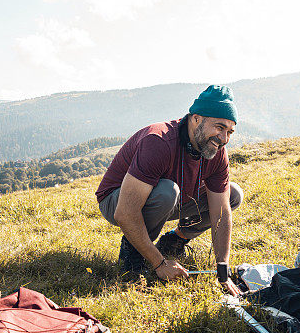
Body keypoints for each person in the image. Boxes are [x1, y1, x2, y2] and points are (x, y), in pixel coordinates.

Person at [96, 85, 243, 296]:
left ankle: (175, 239)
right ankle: (132, 255)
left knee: (232, 194)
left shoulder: (218, 151)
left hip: (171, 197)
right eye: (219, 127)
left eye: (229, 132)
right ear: (196, 119)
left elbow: (220, 212)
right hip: (117, 200)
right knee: (167, 191)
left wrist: (223, 270)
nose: (224, 138)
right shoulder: (159, 141)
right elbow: (124, 213)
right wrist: (159, 263)